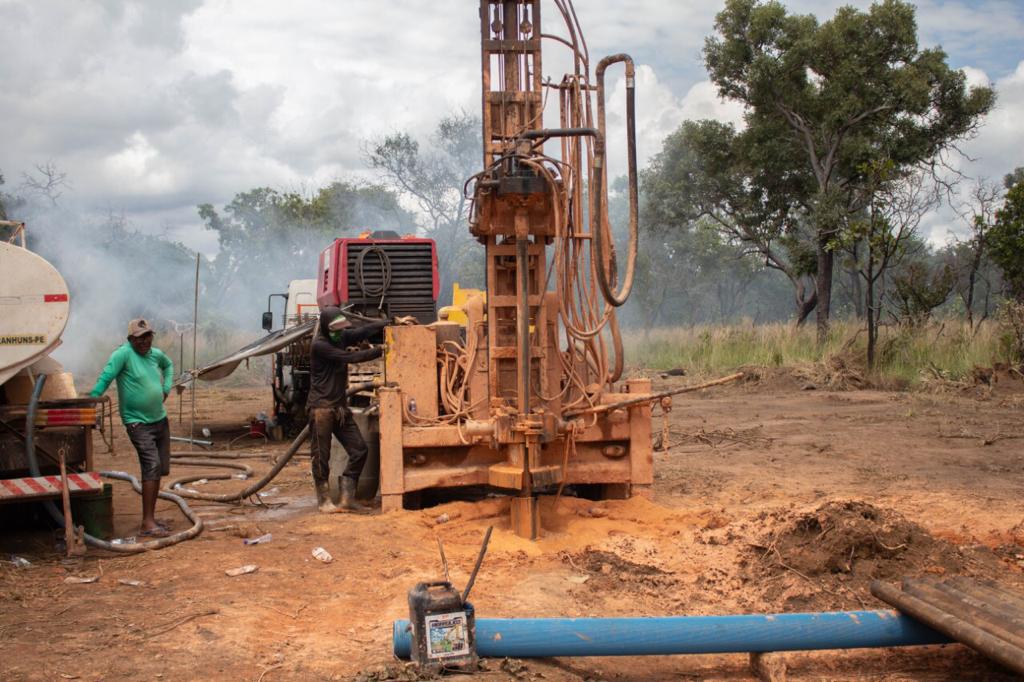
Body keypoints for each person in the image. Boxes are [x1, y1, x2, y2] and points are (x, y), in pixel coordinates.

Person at [308, 307, 411, 512]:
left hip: (339, 408)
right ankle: (324, 502)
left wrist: (391, 321)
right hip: (321, 409)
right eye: (335, 330)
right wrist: (382, 350)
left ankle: (347, 498)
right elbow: (350, 358)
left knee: (359, 450)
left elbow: (363, 330)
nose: (339, 333)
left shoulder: (340, 337)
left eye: (341, 329)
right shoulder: (320, 345)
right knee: (321, 457)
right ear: (326, 328)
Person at [89, 319, 174, 536]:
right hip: (137, 422)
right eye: (139, 338)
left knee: (160, 468)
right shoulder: (123, 354)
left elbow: (169, 365)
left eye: (147, 336)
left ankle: (151, 517)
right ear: (130, 339)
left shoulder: (155, 354)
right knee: (152, 465)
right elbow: (106, 377)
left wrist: (166, 387)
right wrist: (91, 401)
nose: (144, 341)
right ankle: (147, 523)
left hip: (160, 419)